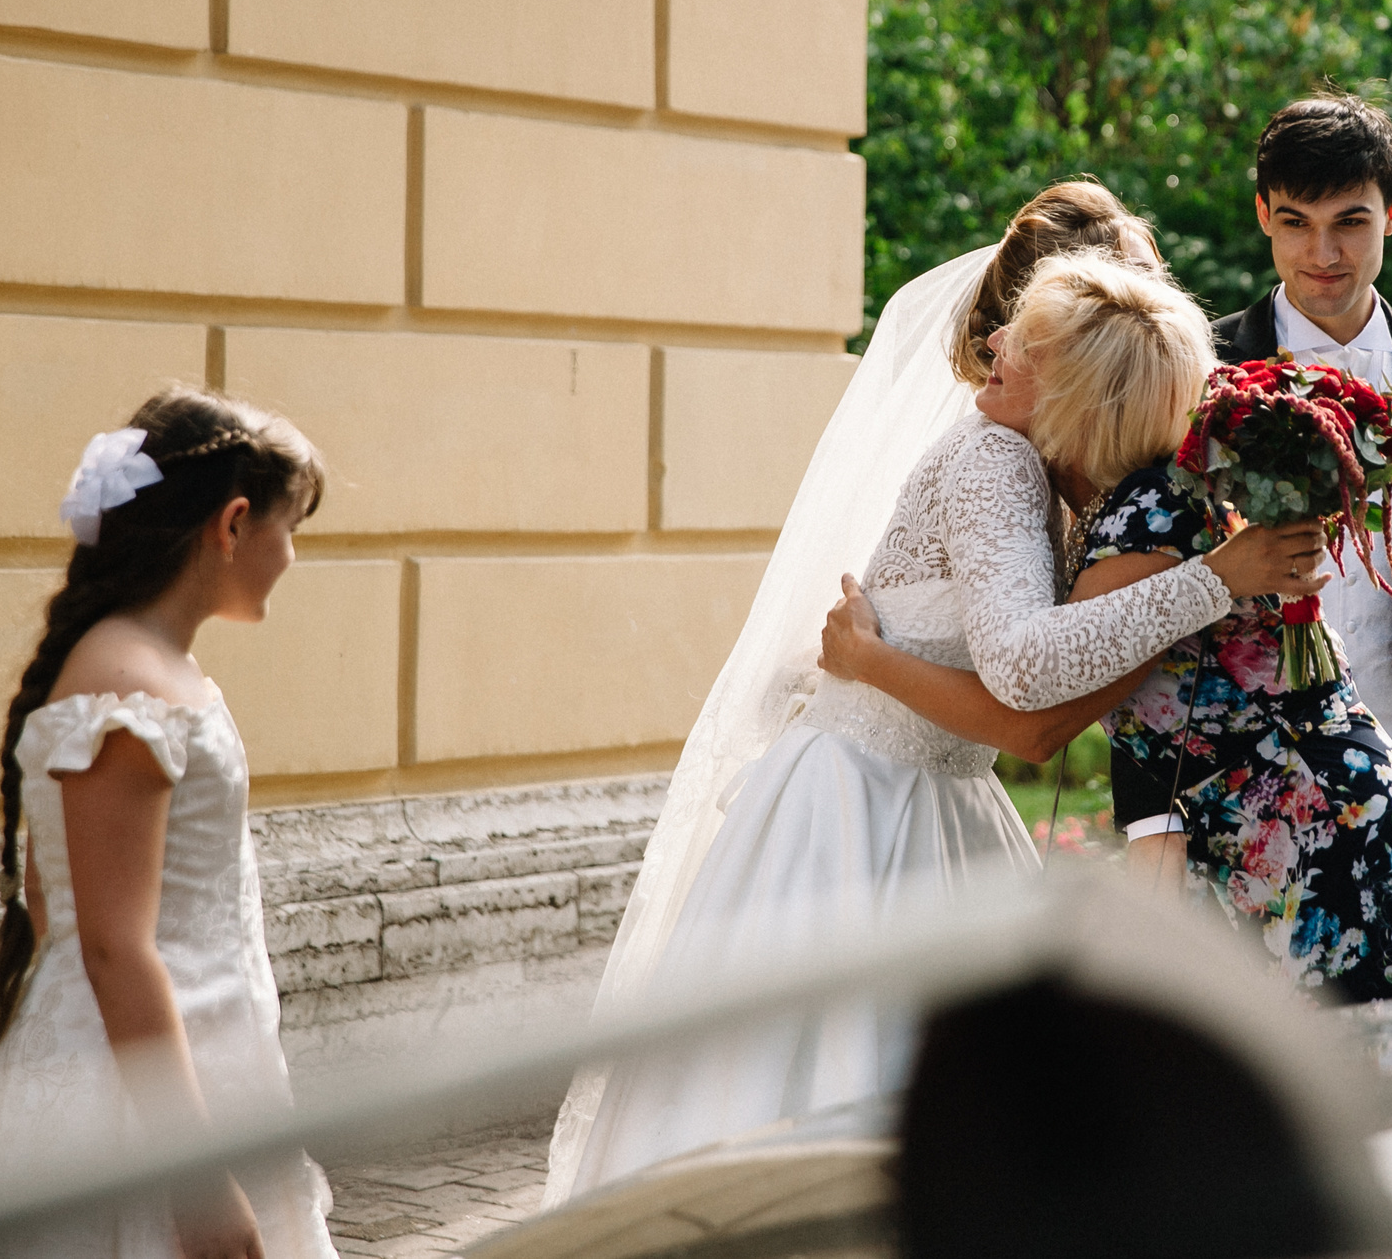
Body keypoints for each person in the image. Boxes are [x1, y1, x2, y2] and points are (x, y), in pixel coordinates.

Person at [546, 196, 1325, 1199]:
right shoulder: (995, 459)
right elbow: (1027, 673)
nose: (996, 344)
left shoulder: (1031, 464)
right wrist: (1218, 575)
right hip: (865, 807)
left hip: (922, 790)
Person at [822, 265, 1392, 1004]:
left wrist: (869, 659)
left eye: (1030, 347)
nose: (997, 343)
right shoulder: (1149, 503)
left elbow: (1033, 711)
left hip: (1355, 868)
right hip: (1326, 858)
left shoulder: (1149, 520)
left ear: (1079, 397)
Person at [0, 386, 332, 1259]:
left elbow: (53, 898)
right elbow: (111, 943)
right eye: (289, 528)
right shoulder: (131, 687)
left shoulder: (151, 669)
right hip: (142, 1104)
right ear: (231, 525)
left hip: (188, 1060)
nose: (292, 555)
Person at [1139, 92, 1392, 930]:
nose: (1322, 254)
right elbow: (1146, 600)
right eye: (1295, 222)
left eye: (1350, 223)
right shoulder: (1192, 372)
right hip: (1234, 772)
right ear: (1262, 215)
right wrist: (1157, 813)